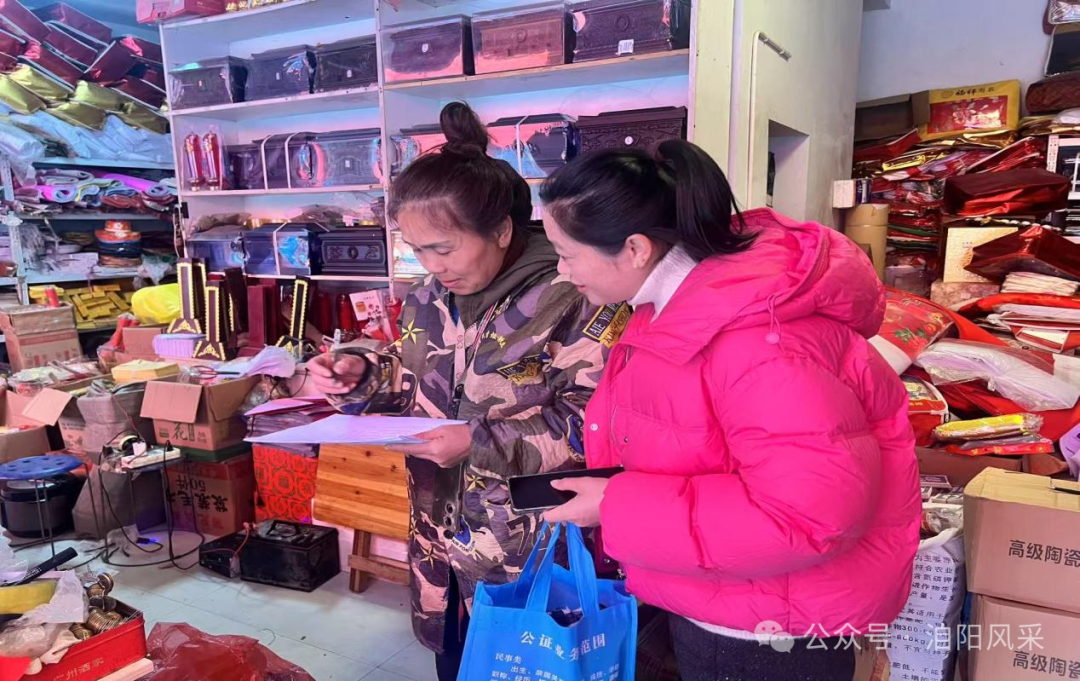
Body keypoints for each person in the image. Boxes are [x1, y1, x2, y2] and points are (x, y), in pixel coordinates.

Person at [539, 140, 921, 681]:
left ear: (635, 249)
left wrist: (617, 506)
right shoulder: (678, 309)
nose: (561, 270)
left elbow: (807, 515)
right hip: (732, 601)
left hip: (765, 634)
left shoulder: (758, 343)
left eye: (568, 253)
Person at [307, 102, 613, 681]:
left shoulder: (575, 294)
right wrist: (360, 375)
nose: (431, 265)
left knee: (529, 667)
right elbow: (417, 382)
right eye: (416, 249)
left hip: (528, 554)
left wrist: (474, 442)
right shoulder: (429, 296)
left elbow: (589, 426)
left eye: (443, 249)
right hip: (437, 543)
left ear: (501, 231)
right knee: (454, 663)